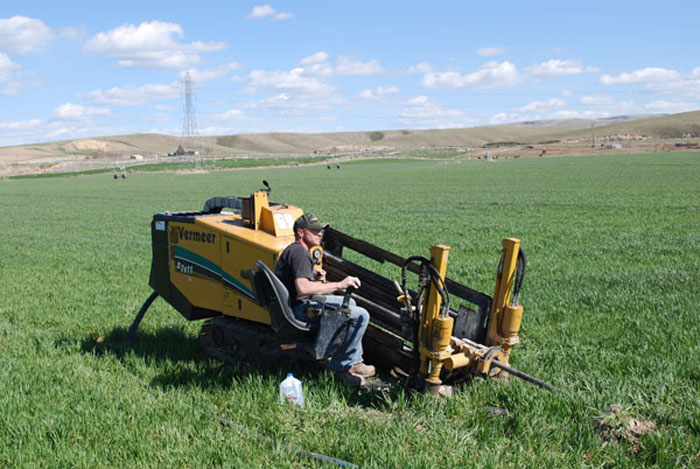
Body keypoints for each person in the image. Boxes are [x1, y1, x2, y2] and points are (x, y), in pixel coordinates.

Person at [275, 213, 376, 382]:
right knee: (361, 315)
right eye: (314, 231)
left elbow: (299, 281)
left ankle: (355, 361)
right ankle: (340, 368)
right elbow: (303, 288)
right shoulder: (300, 254)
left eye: (320, 230)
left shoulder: (295, 250)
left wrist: (313, 275)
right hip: (301, 310)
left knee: (350, 303)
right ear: (301, 233)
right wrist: (340, 284)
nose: (319, 233)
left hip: (297, 305)